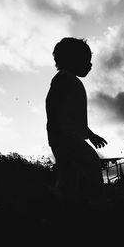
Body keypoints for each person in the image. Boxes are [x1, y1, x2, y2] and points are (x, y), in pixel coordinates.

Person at [46, 37, 108, 205]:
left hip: (64, 136)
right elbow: (55, 108)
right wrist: (60, 132)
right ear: (72, 59)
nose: (90, 65)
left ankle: (65, 202)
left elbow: (73, 117)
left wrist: (91, 134)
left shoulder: (68, 80)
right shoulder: (64, 79)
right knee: (91, 164)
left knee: (69, 175)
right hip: (65, 137)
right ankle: (96, 202)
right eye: (86, 60)